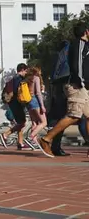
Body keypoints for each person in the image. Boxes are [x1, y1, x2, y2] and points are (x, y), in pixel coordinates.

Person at [38, 21, 89, 158]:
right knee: (74, 115)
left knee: (87, 116)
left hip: (81, 86)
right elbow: (76, 64)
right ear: (86, 32)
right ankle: (46, 139)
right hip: (76, 84)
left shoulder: (83, 45)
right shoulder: (80, 43)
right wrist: (80, 81)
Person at [0, 63, 31, 150]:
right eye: (25, 71)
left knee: (20, 121)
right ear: (22, 70)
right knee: (22, 122)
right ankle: (6, 134)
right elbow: (18, 91)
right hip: (16, 103)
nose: (26, 73)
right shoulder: (19, 79)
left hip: (13, 103)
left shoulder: (13, 78)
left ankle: (20, 143)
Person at [24, 67, 47, 149]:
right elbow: (38, 92)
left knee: (34, 123)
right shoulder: (36, 78)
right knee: (44, 122)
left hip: (28, 101)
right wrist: (42, 105)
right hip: (35, 100)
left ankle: (34, 142)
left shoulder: (26, 80)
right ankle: (31, 137)